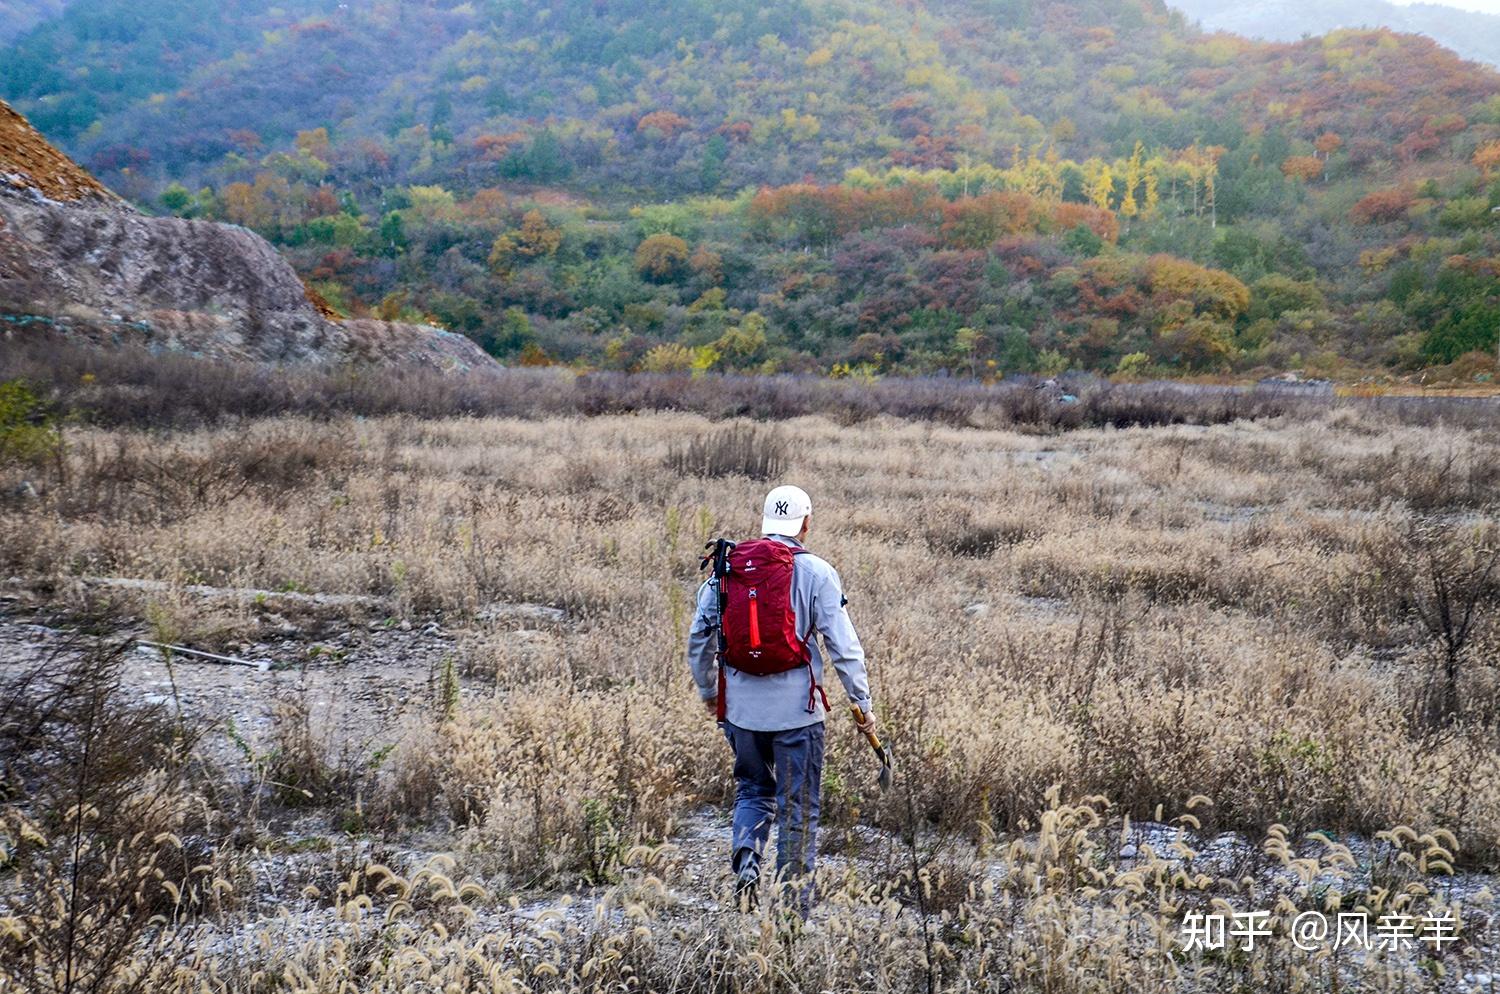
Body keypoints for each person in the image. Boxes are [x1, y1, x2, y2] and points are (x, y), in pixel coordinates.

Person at [688, 484, 876, 918]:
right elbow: (843, 646)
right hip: (798, 716)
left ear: (766, 521)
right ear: (806, 523)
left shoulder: (727, 568)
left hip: (741, 714)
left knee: (753, 790)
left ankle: (747, 862)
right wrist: (861, 703)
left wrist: (710, 692)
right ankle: (793, 914)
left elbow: (700, 636)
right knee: (799, 810)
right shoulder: (817, 573)